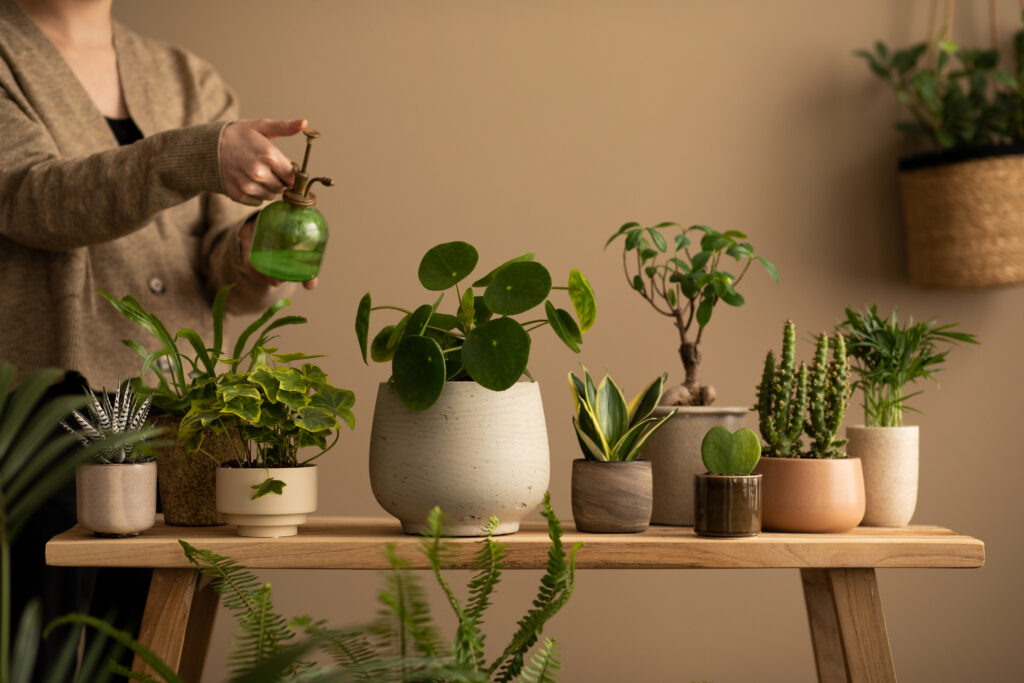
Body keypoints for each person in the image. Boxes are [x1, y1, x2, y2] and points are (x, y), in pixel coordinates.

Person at [0, 0, 317, 678]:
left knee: (149, 652)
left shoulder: (186, 77)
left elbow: (218, 263)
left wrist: (256, 252)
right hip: (50, 414)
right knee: (40, 653)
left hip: (186, 423)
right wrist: (199, 154)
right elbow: (35, 199)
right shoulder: (6, 56)